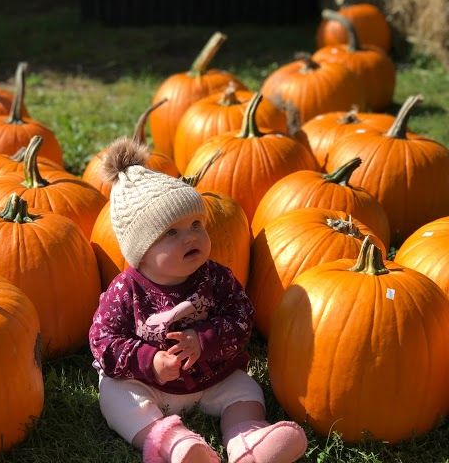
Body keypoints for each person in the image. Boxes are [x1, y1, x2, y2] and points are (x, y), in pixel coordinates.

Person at [88, 136, 308, 463]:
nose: (191, 236)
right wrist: (150, 361)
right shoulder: (125, 290)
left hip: (211, 375)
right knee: (117, 397)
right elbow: (103, 340)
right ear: (141, 251)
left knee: (245, 390)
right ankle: (173, 444)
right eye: (171, 232)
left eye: (195, 224)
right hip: (148, 383)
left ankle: (248, 440)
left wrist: (203, 340)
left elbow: (241, 317)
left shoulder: (216, 278)